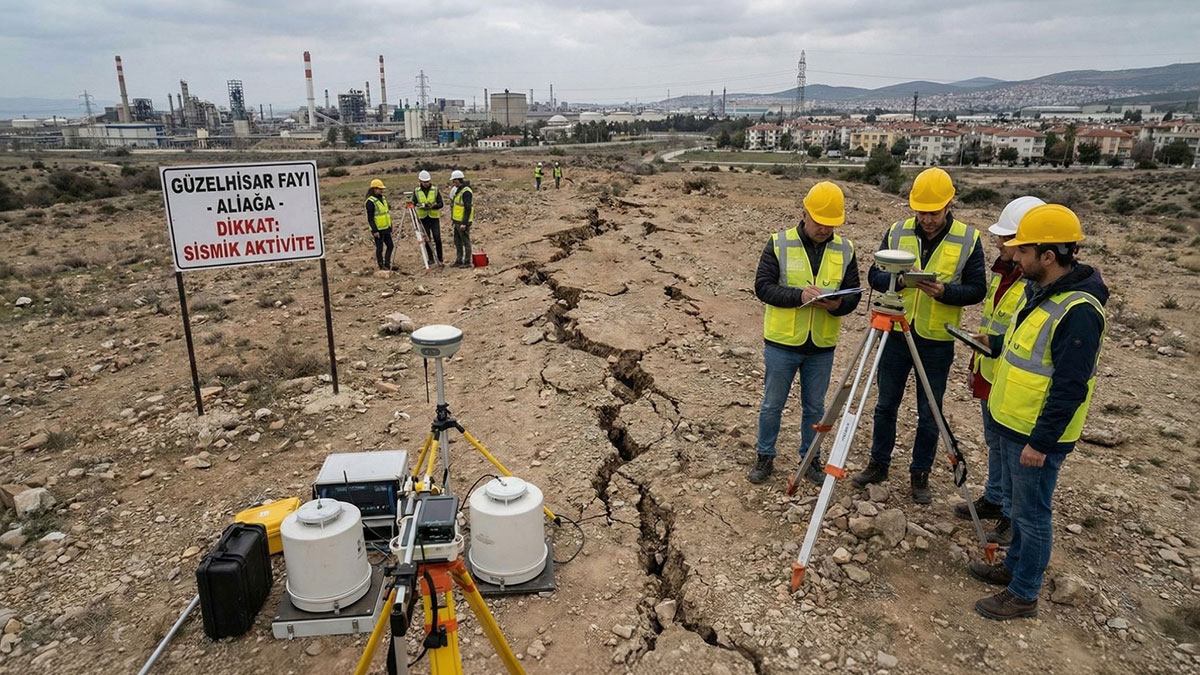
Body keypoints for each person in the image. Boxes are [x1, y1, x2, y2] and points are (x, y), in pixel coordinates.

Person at [967, 204, 1107, 620]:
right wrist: (992, 344)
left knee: (1032, 516)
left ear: (1048, 256)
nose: (1016, 257)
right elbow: (1028, 352)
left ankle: (1024, 593)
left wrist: (1042, 443)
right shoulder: (1042, 292)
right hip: (1013, 422)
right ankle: (1013, 569)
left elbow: (1069, 386)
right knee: (1017, 507)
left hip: (1035, 436)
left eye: (1024, 251)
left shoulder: (1079, 311)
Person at [851, 167, 986, 503]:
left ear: (949, 204)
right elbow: (874, 276)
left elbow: (977, 289)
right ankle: (878, 463)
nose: (927, 219)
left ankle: (920, 473)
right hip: (896, 332)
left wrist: (944, 292)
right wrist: (897, 280)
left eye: (934, 213)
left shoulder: (968, 239)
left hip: (936, 340)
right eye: (921, 212)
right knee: (886, 404)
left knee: (930, 412)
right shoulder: (897, 232)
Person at [748, 182, 861, 484]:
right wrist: (798, 296)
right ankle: (764, 456)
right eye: (819, 222)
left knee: (815, 408)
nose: (824, 229)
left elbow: (853, 295)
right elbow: (763, 287)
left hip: (821, 346)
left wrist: (837, 305)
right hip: (782, 343)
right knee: (772, 405)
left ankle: (810, 459)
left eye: (830, 224)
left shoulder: (845, 249)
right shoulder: (779, 243)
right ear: (804, 213)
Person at [954, 196, 1044, 544]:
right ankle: (995, 497)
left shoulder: (1035, 284)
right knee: (994, 441)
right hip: (991, 369)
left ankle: (1010, 512)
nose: (998, 244)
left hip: (1017, 381)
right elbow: (992, 321)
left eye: (1006, 239)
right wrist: (976, 360)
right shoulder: (1004, 273)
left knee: (1010, 450)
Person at [414, 170, 444, 267]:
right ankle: (431, 259)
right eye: (424, 182)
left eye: (427, 181)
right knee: (427, 239)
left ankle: (440, 258)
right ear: (420, 181)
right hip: (423, 218)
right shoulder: (416, 191)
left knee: (437, 238)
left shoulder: (435, 190)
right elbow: (414, 203)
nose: (426, 183)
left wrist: (433, 206)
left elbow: (441, 204)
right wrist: (420, 205)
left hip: (434, 217)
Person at [365, 178, 395, 271]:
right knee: (380, 248)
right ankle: (381, 265)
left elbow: (386, 213)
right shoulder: (370, 202)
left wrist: (390, 226)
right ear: (374, 189)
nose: (382, 190)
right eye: (380, 189)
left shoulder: (383, 198)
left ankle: (387, 264)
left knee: (390, 245)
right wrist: (374, 230)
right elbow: (370, 218)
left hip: (386, 227)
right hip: (378, 229)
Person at [450, 170, 474, 268]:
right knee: (457, 241)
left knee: (465, 241)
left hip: (462, 221)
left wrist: (464, 223)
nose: (453, 183)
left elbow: (468, 208)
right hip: (457, 221)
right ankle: (459, 260)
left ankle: (467, 261)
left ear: (458, 180)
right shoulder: (459, 190)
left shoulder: (466, 191)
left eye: (454, 180)